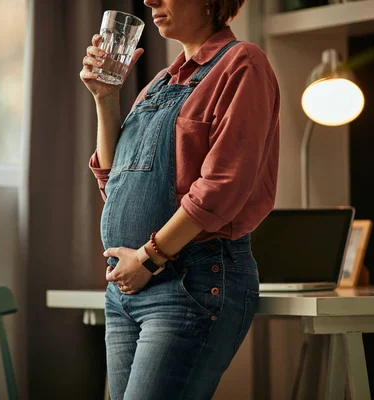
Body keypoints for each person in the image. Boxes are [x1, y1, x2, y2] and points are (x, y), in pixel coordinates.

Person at [80, 0, 280, 398]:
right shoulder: (159, 83)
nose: (151, 0)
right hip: (127, 291)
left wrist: (150, 256)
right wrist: (105, 98)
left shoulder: (243, 64)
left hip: (192, 281)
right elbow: (113, 181)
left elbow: (221, 187)